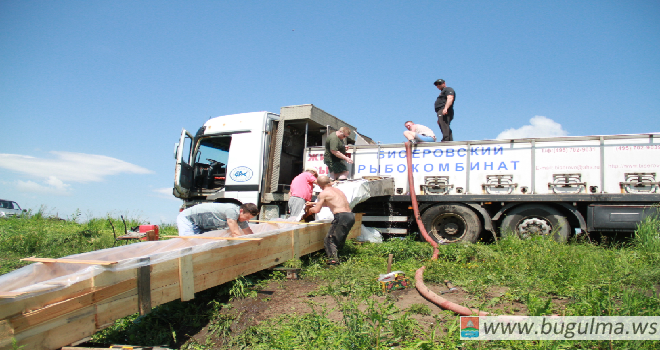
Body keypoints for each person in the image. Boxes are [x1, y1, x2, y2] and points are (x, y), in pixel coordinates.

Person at [306, 175, 355, 264]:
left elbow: (317, 210)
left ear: (319, 185)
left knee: (329, 239)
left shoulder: (323, 193)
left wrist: (310, 210)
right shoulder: (337, 190)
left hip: (341, 217)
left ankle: (333, 261)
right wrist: (314, 203)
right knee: (339, 239)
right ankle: (341, 257)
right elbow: (331, 203)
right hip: (350, 216)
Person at [177, 202, 258, 237]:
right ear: (241, 211)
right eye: (247, 218)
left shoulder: (241, 218)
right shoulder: (232, 211)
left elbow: (248, 232)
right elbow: (235, 234)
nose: (246, 220)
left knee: (200, 243)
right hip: (189, 219)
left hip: (202, 224)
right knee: (188, 243)